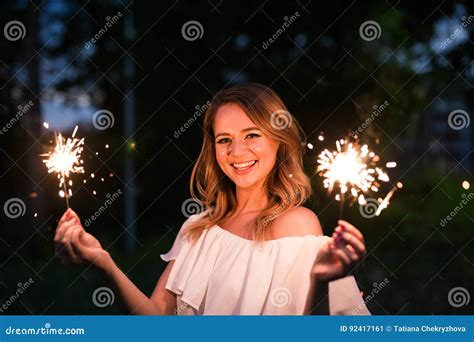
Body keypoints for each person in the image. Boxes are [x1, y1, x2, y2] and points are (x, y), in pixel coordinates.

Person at [54, 83, 369, 315]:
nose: (236, 152)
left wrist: (327, 282)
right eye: (224, 140)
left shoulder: (296, 224)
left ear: (278, 141)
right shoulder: (198, 227)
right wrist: (105, 264)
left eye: (252, 135)